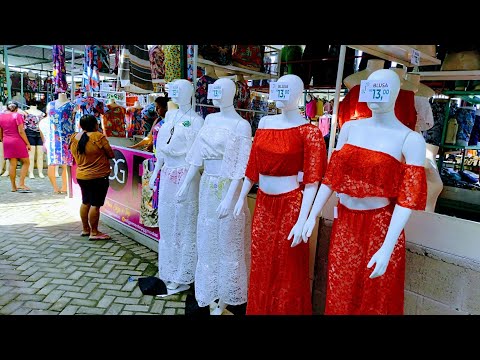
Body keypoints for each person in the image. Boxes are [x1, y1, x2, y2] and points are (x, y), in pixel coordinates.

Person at [302, 69, 427, 315]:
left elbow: (406, 199)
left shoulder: (410, 139)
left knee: (373, 297)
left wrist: (388, 246)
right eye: (371, 88)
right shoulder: (350, 128)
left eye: (382, 89)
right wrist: (312, 215)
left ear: (395, 94)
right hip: (345, 225)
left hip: (379, 228)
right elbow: (332, 176)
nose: (375, 95)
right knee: (340, 289)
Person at [233, 74, 327, 315]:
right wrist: (242, 195)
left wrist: (304, 218)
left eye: (288, 90)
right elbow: (253, 165)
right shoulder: (264, 123)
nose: (282, 94)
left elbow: (312, 180)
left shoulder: (310, 132)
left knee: (287, 269)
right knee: (262, 263)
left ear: (299, 94)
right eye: (280, 89)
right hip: (264, 204)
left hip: (291, 206)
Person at [178, 78, 252, 315]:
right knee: (208, 240)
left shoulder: (241, 126)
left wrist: (230, 198)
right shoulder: (209, 119)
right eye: (215, 91)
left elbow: (242, 167)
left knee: (228, 240)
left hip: (227, 186)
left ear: (232, 93)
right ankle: (210, 292)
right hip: (208, 185)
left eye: (222, 91)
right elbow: (197, 155)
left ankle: (227, 294)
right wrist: (185, 183)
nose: (217, 95)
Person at [149, 79, 204, 294]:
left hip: (185, 177)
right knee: (168, 224)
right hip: (168, 175)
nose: (173, 94)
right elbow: (162, 149)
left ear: (189, 92)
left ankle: (183, 274)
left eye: (178, 90)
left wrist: (186, 183)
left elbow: (196, 157)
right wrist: (155, 174)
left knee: (184, 226)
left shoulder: (197, 121)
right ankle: (169, 270)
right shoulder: (170, 116)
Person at [69, 114, 115, 240]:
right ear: (95, 125)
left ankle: (85, 229)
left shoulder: (74, 137)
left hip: (82, 175)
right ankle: (94, 233)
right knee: (95, 204)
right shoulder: (98, 137)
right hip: (98, 176)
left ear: (80, 125)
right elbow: (110, 154)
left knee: (85, 202)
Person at [45, 92, 75, 194]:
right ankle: (55, 187)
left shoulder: (72, 105)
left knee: (66, 163)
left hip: (67, 137)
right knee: (52, 163)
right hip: (53, 137)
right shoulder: (50, 105)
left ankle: (65, 186)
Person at [0, 101, 31, 192]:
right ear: (17, 109)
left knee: (12, 164)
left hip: (7, 140)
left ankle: (13, 187)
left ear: (7, 108)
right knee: (26, 162)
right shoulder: (17, 116)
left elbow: (0, 132)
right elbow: (21, 131)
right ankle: (21, 183)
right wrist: (28, 143)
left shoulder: (1, 117)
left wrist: (3, 139)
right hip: (17, 140)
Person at [24, 104, 46, 178]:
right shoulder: (25, 112)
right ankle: (31, 172)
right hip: (29, 133)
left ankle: (40, 172)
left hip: (40, 133)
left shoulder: (41, 113)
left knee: (40, 154)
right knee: (31, 155)